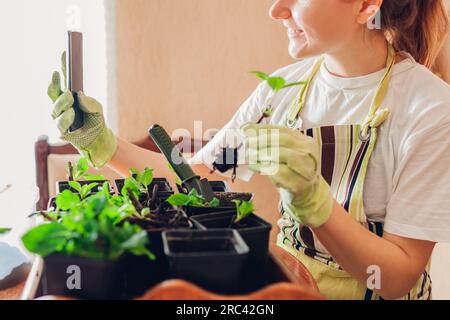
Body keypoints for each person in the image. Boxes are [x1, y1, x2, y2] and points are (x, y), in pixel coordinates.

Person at [48, 0, 450, 300]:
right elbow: (197, 174)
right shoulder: (284, 90)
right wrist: (102, 143)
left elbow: (395, 279)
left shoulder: (430, 109)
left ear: (365, 5)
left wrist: (318, 205)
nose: (276, 9)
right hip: (288, 286)